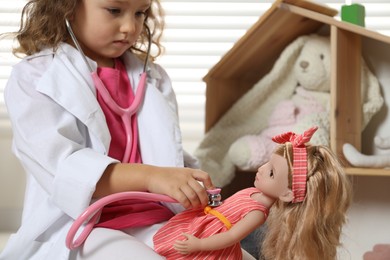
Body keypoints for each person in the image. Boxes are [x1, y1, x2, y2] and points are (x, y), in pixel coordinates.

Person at [0, 0, 215, 259]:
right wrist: (152, 177)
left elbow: (168, 151)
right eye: (114, 11)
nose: (130, 27)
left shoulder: (153, 76)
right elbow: (64, 168)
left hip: (156, 216)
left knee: (233, 254)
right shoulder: (37, 76)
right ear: (67, 7)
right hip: (86, 225)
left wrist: (190, 182)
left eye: (140, 13)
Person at [152, 126, 352, 260]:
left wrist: (199, 245)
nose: (262, 169)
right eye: (267, 163)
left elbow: (230, 237)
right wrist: (211, 200)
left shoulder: (258, 213)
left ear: (287, 193)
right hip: (204, 224)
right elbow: (228, 209)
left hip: (212, 241)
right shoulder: (252, 191)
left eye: (272, 173)